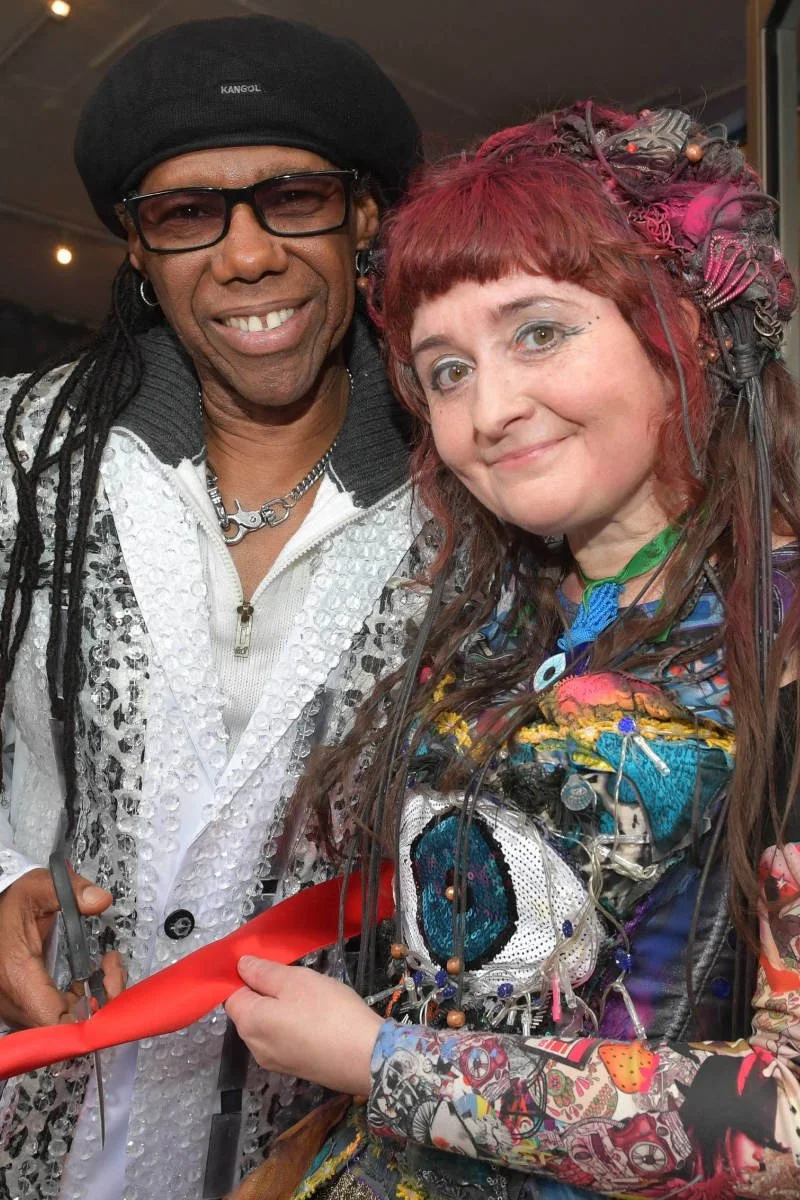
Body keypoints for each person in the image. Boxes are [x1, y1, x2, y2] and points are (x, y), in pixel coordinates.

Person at [224, 104, 800, 1199]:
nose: (487, 409)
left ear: (683, 323)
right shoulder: (497, 614)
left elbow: (782, 1118)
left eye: (539, 332)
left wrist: (381, 1065)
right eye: (444, 371)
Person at [0, 15, 422, 1200]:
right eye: (187, 214)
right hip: (32, 1119)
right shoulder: (23, 455)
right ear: (137, 248)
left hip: (304, 1153)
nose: (244, 257)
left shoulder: (476, 508)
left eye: (292, 198)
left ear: (364, 218)